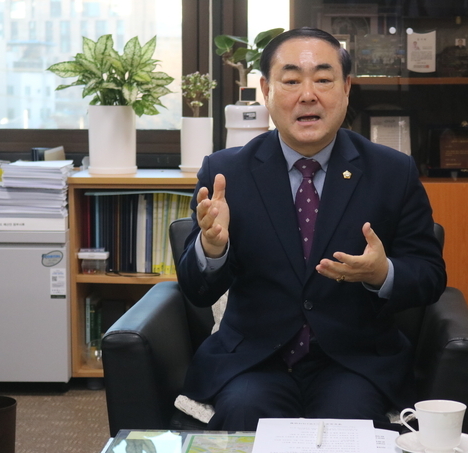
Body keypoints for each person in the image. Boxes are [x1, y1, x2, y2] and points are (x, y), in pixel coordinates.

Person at [176, 27, 446, 431]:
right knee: (244, 415)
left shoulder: (393, 172)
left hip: (353, 361)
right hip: (255, 360)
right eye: (291, 81)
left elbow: (430, 276)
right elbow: (196, 291)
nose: (308, 95)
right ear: (266, 90)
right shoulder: (225, 173)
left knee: (352, 424)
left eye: (323, 79)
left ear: (347, 88)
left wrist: (382, 273)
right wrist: (212, 250)